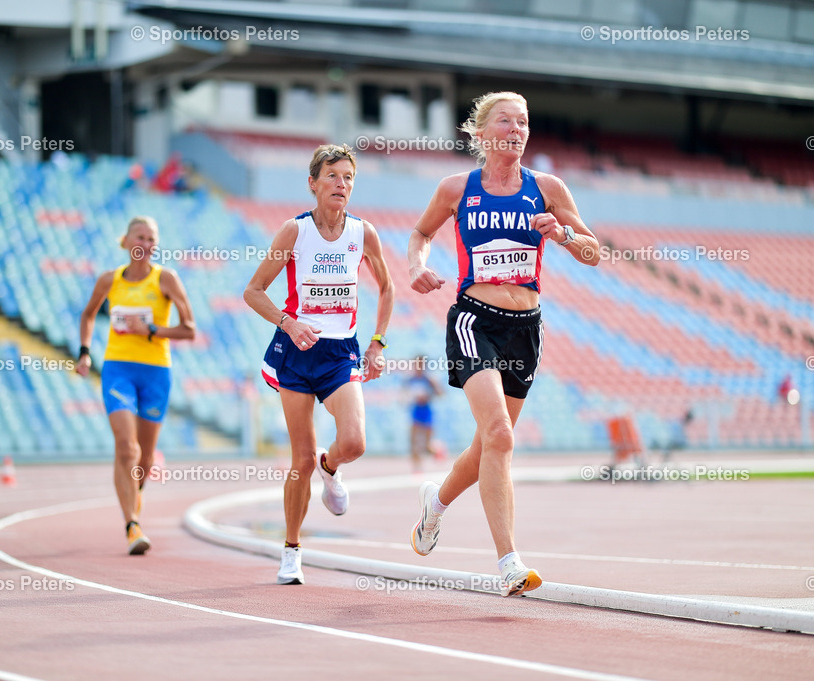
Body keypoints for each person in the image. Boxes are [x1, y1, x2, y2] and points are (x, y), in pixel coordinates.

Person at [407, 92, 600, 597]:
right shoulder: (456, 188)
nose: (517, 129)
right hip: (475, 320)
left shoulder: (548, 188)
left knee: (490, 442)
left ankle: (437, 503)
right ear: (481, 133)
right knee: (500, 434)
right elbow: (421, 233)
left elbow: (593, 252)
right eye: (506, 121)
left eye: (525, 122)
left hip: (526, 327)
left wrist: (560, 235)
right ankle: (509, 562)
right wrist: (416, 266)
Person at [243, 143, 394, 585]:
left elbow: (386, 288)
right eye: (332, 176)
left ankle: (333, 469)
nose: (341, 185)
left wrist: (378, 343)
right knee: (301, 459)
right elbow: (253, 291)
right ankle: (291, 550)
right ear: (313, 183)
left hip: (340, 352)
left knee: (355, 442)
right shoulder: (295, 232)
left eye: (348, 178)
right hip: (296, 351)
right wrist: (289, 324)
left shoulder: (364, 234)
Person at [76, 216, 196, 555]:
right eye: (140, 236)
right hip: (118, 369)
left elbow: (190, 329)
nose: (147, 242)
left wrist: (153, 331)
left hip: (157, 371)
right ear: (127, 241)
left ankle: (134, 498)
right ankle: (132, 525)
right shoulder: (109, 280)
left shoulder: (166, 279)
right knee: (126, 448)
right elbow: (87, 315)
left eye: (152, 238)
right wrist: (85, 352)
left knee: (143, 459)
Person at [408, 356, 443, 473]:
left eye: (420, 364)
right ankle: (417, 468)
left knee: (426, 445)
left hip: (427, 412)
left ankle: (438, 451)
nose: (418, 367)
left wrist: (432, 390)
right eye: (416, 364)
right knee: (413, 441)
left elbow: (440, 393)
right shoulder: (411, 379)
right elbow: (405, 395)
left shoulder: (428, 379)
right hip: (416, 411)